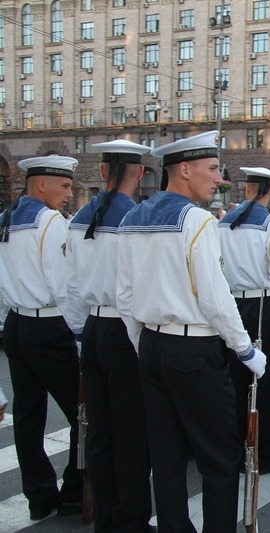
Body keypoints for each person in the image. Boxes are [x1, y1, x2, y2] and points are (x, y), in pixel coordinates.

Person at [117, 131, 266, 532]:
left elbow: (125, 295)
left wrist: (143, 342)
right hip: (194, 351)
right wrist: (246, 350)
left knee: (165, 457)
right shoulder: (197, 220)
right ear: (184, 170)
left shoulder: (132, 217)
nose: (218, 178)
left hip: (151, 344)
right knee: (218, 457)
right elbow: (216, 298)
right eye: (213, 168)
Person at [64, 140, 154, 532]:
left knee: (99, 432)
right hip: (125, 329)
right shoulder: (136, 217)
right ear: (139, 174)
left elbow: (67, 287)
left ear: (102, 172)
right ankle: (131, 520)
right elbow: (141, 287)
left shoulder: (78, 217)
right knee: (132, 431)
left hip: (94, 328)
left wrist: (81, 333)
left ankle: (106, 518)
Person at [0, 155, 84, 520]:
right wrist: (79, 332)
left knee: (28, 416)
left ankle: (39, 496)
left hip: (17, 325)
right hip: (50, 326)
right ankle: (75, 494)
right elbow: (63, 286)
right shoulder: (49, 222)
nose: (69, 194)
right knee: (84, 414)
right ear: (41, 185)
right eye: (64, 186)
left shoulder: (6, 219)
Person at [218, 167, 270, 475]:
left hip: (232, 304)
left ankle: (236, 449)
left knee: (234, 383)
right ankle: (262, 453)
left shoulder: (223, 223)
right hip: (264, 308)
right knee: (267, 384)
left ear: (248, 188)